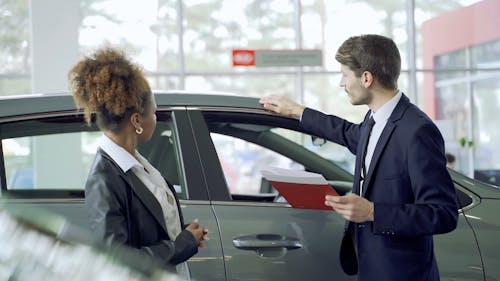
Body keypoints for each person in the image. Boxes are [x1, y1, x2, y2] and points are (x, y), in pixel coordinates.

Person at [259, 34, 458, 281]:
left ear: (366, 78)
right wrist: (299, 112)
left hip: (402, 273)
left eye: (344, 75)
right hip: (370, 265)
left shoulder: (416, 131)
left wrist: (373, 212)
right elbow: (345, 132)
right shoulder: (373, 121)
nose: (341, 83)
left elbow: (443, 214)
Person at [68, 47, 208, 277]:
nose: (156, 117)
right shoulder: (104, 178)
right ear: (136, 120)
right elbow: (116, 259)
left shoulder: (137, 163)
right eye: (154, 112)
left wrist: (183, 234)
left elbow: (144, 229)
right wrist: (182, 245)